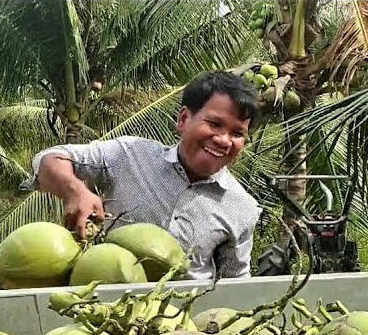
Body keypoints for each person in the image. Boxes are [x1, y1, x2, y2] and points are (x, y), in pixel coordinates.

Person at [28, 70, 263, 281]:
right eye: (214, 124)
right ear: (184, 119)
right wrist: (75, 191)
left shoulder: (242, 208)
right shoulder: (130, 156)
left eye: (237, 133)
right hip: (103, 312)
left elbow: (235, 287)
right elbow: (50, 159)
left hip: (185, 323)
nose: (223, 140)